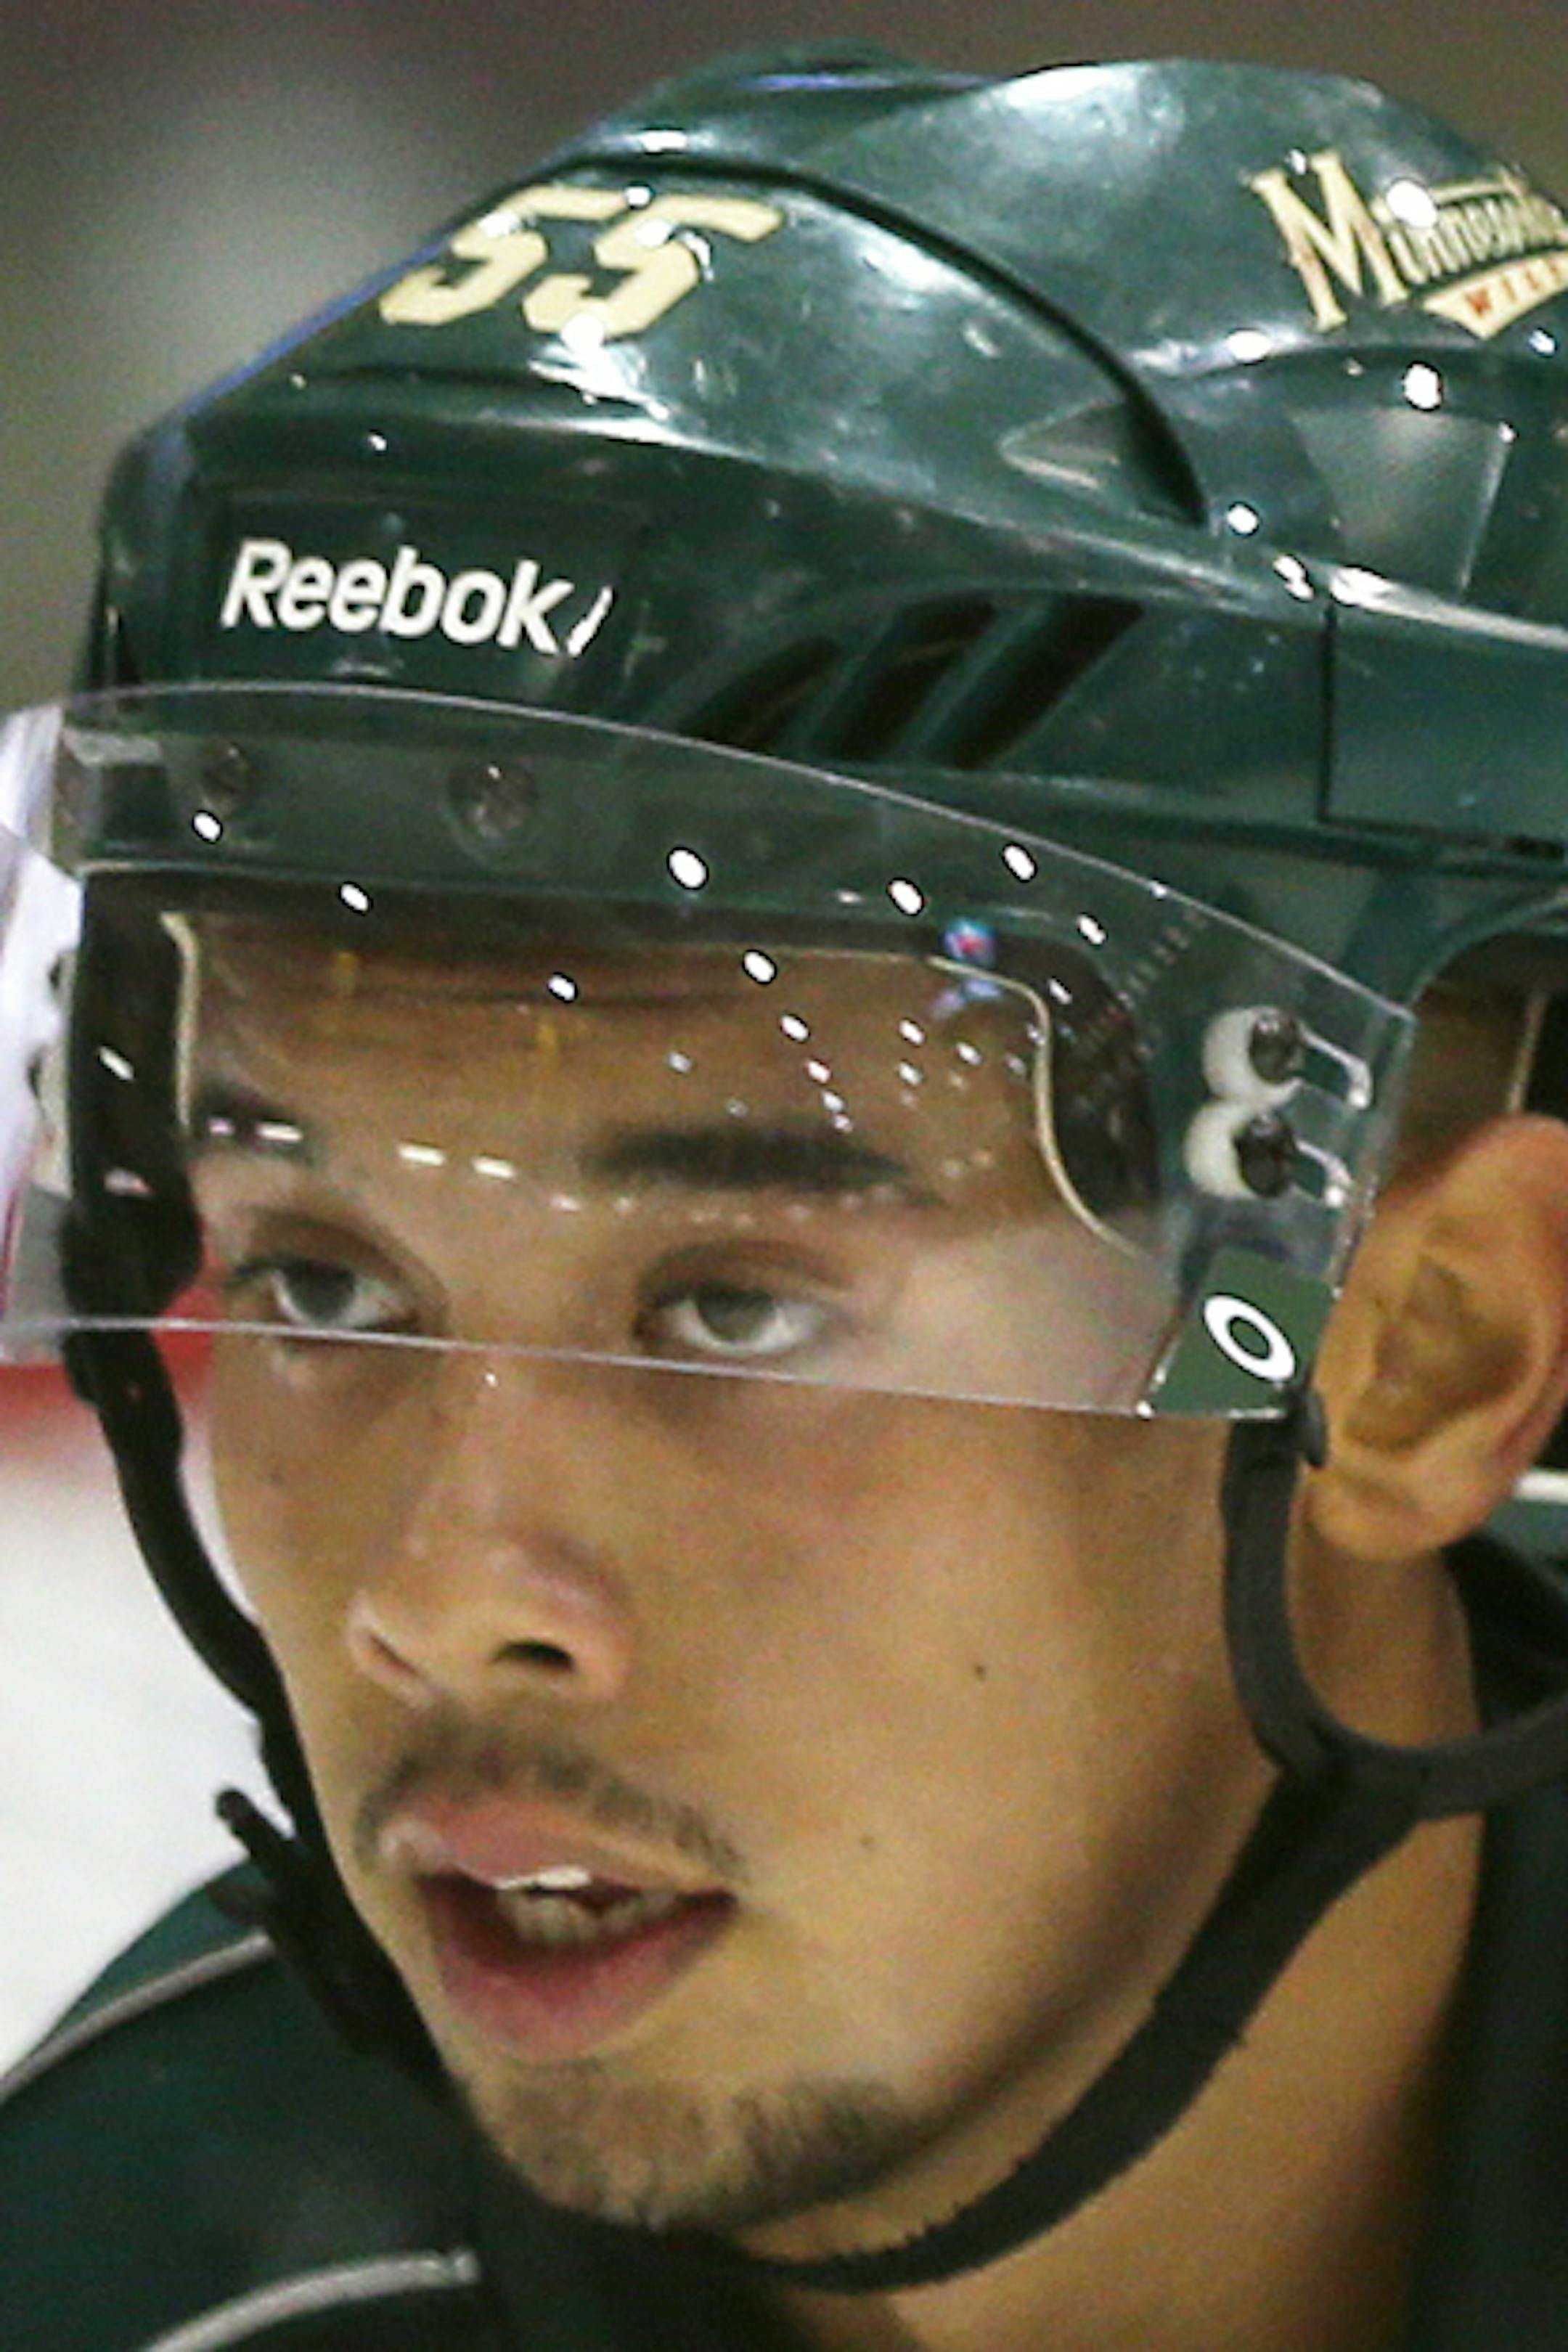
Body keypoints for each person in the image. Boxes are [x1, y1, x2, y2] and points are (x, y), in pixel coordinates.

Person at [7, 42, 1568, 2352]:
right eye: (324, 1283)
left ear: (1420, 1355)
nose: (442, 1603)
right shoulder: (129, 2273)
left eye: (730, 1308)